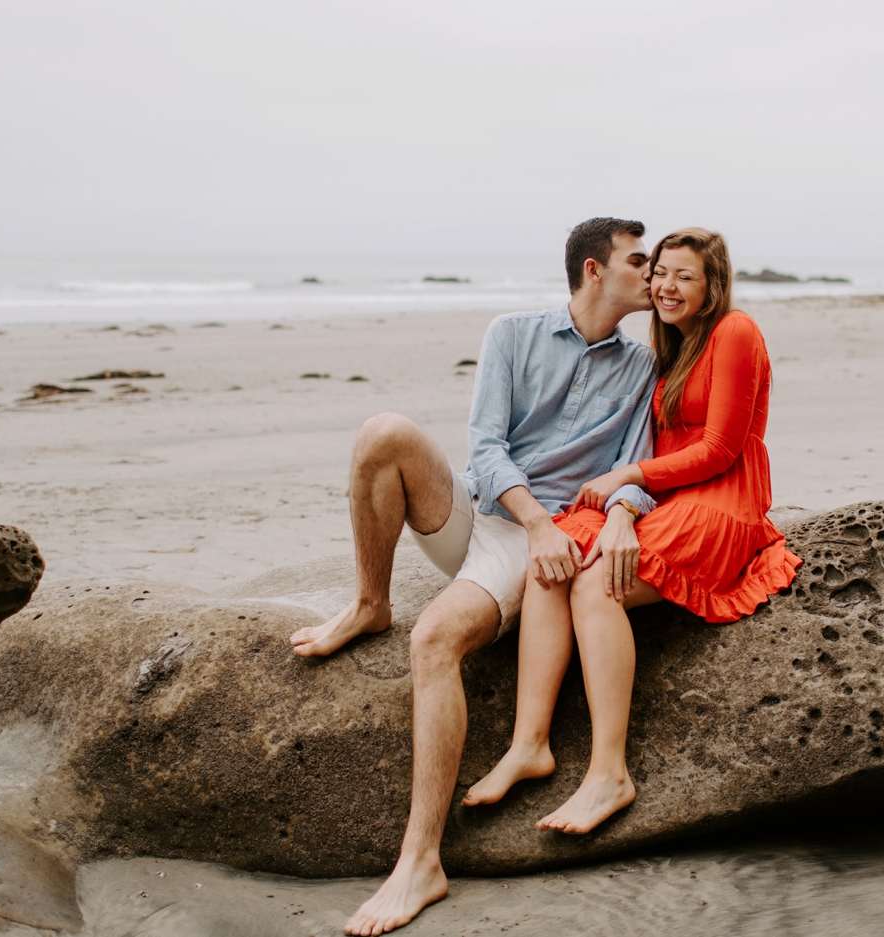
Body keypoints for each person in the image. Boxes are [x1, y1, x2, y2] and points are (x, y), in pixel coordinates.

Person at [288, 217, 660, 936]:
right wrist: (536, 518)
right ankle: (369, 601)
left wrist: (611, 515)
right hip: (494, 512)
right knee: (384, 431)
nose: (651, 273)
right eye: (638, 260)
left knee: (433, 641)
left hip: (538, 552)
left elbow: (637, 468)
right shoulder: (512, 333)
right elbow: (485, 449)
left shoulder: (645, 366)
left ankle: (421, 861)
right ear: (593, 270)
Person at [463, 227, 802, 835]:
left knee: (598, 586)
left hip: (719, 499)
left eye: (684, 276)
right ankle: (528, 744)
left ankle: (609, 774)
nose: (665, 286)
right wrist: (625, 503)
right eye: (659, 273)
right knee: (557, 555)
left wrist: (629, 475)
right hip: (660, 497)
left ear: (712, 284)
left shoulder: (735, 331)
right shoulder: (667, 342)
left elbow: (722, 449)